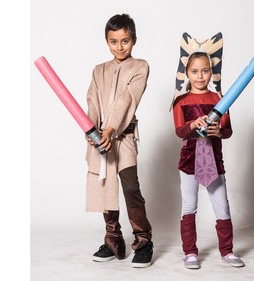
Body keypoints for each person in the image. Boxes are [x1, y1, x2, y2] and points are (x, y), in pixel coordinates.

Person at [85, 13, 153, 268]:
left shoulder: (140, 67)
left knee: (130, 189)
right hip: (99, 139)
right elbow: (92, 101)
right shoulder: (98, 70)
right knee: (106, 189)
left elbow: (128, 98)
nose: (119, 46)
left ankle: (144, 240)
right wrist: (90, 130)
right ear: (107, 41)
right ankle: (113, 240)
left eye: (125, 41)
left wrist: (111, 129)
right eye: (114, 41)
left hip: (121, 138)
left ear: (133, 40)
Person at [172, 51, 245, 269]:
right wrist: (193, 125)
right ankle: (190, 252)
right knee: (189, 207)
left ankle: (227, 251)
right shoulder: (181, 101)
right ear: (187, 73)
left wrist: (219, 132)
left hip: (214, 162)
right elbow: (179, 131)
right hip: (189, 163)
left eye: (205, 71)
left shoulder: (220, 99)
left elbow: (228, 130)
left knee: (222, 207)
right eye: (194, 71)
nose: (200, 76)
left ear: (211, 73)